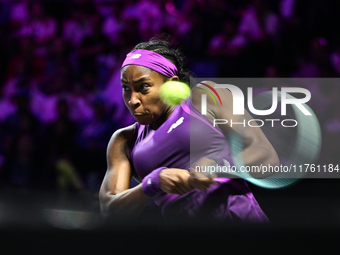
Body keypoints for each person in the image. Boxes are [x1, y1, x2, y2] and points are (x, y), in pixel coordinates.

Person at [99, 39, 278, 223]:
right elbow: (110, 212)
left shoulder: (206, 97)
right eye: (126, 89)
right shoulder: (124, 141)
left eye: (143, 87)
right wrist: (153, 183)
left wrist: (218, 166)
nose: (132, 100)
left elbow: (267, 155)